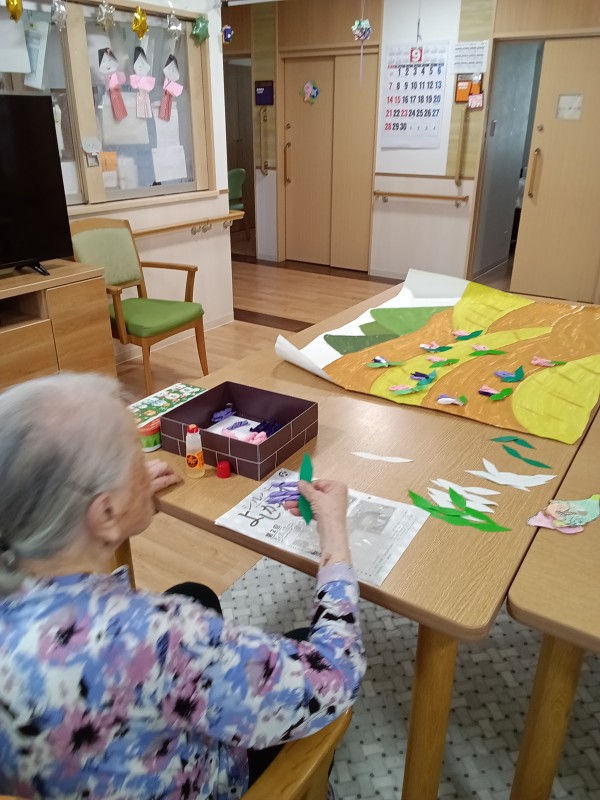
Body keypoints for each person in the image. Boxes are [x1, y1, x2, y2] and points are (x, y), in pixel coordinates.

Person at [0, 373, 366, 799]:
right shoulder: (157, 635)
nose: (147, 466)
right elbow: (336, 674)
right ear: (104, 513)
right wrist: (334, 536)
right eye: (135, 456)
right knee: (307, 639)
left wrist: (125, 503)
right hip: (202, 782)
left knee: (196, 594)